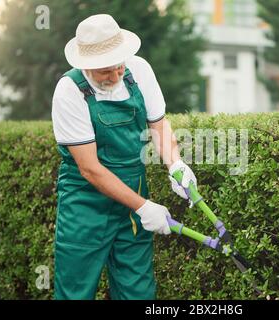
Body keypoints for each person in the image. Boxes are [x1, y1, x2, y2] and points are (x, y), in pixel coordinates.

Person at [51, 14, 197, 300]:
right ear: (86, 66)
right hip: (85, 205)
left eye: (119, 66)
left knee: (138, 292)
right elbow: (90, 168)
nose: (116, 76)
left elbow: (158, 125)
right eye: (105, 71)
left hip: (133, 194)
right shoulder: (69, 91)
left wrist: (175, 164)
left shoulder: (139, 70)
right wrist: (144, 207)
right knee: (75, 292)